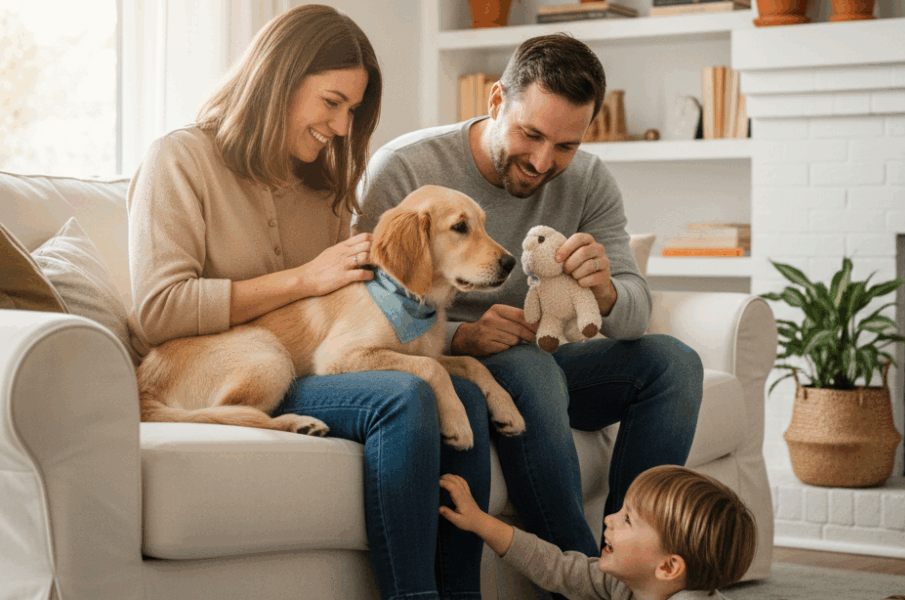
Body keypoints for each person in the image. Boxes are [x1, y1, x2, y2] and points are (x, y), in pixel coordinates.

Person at [127, 5, 492, 600]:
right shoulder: (180, 160)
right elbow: (159, 310)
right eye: (332, 102)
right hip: (201, 371)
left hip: (305, 364)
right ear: (278, 79)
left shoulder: (324, 186)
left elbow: (344, 316)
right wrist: (301, 280)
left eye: (352, 111)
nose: (343, 128)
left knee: (465, 396)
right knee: (404, 394)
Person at [356, 32, 705, 580]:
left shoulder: (588, 180)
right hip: (464, 361)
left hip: (547, 357)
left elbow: (635, 313)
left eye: (565, 145)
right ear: (496, 102)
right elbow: (364, 304)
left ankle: (636, 563)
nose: (544, 161)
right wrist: (458, 339)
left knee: (674, 364)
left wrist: (607, 287)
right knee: (530, 367)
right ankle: (586, 580)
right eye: (531, 134)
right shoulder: (405, 168)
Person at [439, 465, 756, 600]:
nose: (609, 520)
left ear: (668, 567)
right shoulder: (624, 583)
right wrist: (481, 521)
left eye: (628, 520)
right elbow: (556, 567)